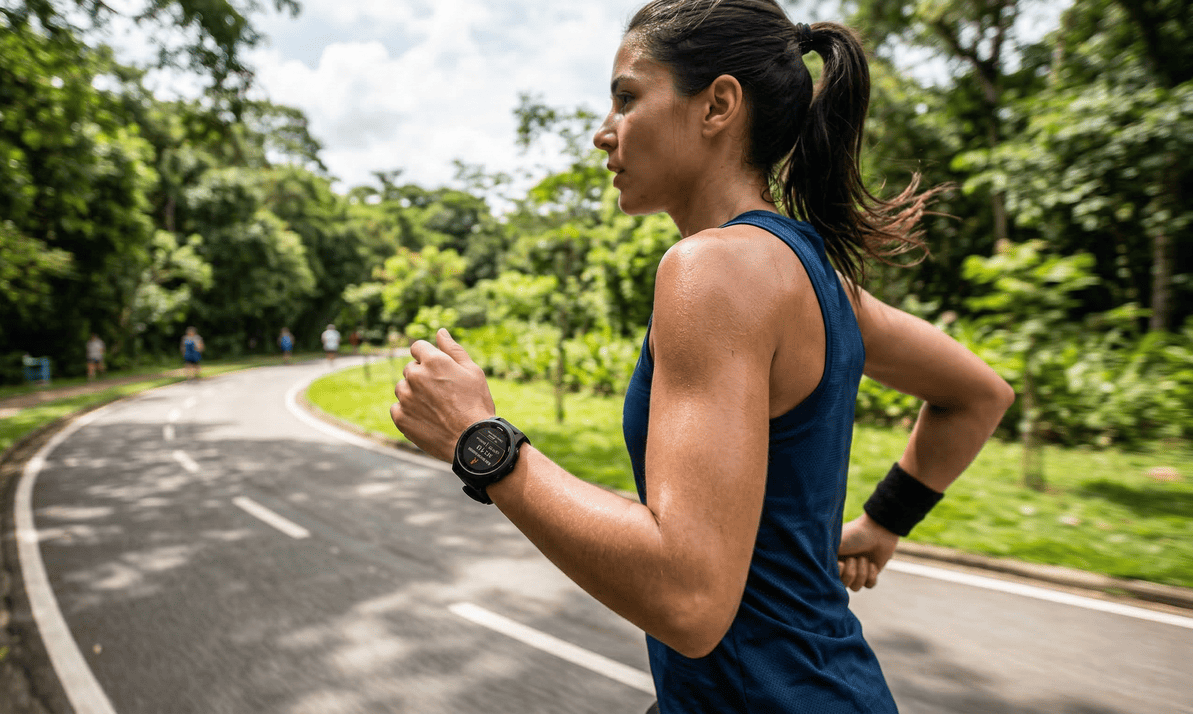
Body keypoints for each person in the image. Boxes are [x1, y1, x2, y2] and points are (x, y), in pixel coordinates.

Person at [390, 1, 1014, 711]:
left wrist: (484, 444)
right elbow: (978, 394)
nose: (604, 133)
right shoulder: (812, 275)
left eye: (627, 98)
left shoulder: (713, 270)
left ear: (718, 105)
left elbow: (687, 599)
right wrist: (883, 522)